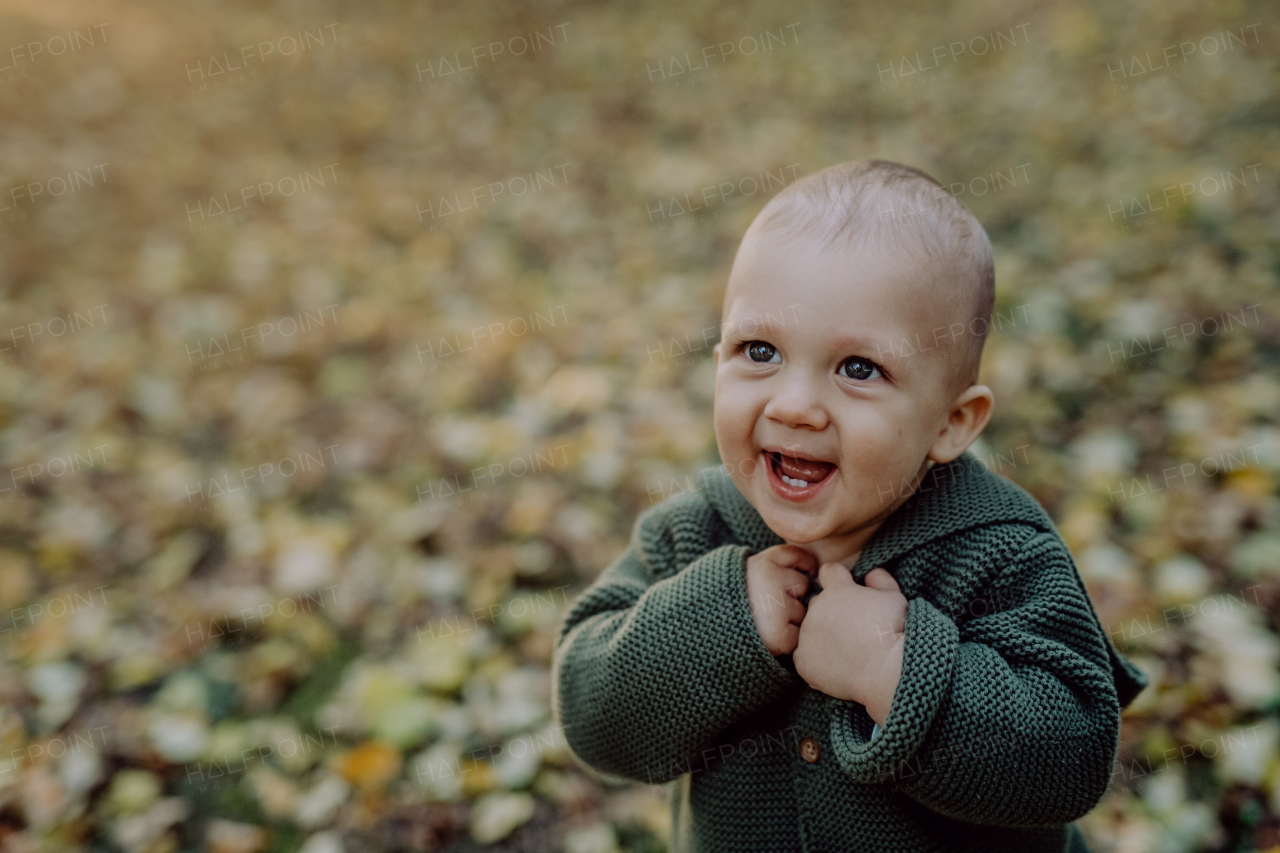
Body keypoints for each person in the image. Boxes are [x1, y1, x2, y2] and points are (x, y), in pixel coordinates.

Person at [552, 160, 1148, 852]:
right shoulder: (696, 531)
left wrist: (896, 669)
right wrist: (723, 621)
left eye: (858, 368)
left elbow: (1069, 759)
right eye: (760, 350)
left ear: (951, 422)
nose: (795, 404)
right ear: (718, 359)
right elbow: (595, 717)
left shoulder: (1000, 551)